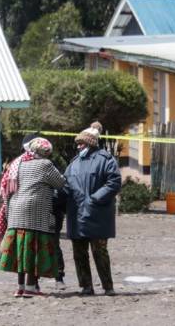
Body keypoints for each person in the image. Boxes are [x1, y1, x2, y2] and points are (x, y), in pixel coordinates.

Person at [0, 137, 66, 297]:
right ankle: (30, 288)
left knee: (20, 250)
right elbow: (60, 183)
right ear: (46, 152)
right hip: (35, 212)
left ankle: (21, 287)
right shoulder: (45, 164)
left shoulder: (18, 163)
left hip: (16, 211)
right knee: (34, 248)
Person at [60, 122, 121, 296]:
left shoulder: (106, 160)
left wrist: (95, 199)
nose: (79, 147)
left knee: (100, 252)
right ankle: (86, 286)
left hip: (97, 214)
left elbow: (114, 182)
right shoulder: (73, 163)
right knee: (79, 253)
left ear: (91, 143)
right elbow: (66, 184)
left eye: (82, 143)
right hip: (76, 215)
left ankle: (108, 286)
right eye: (78, 144)